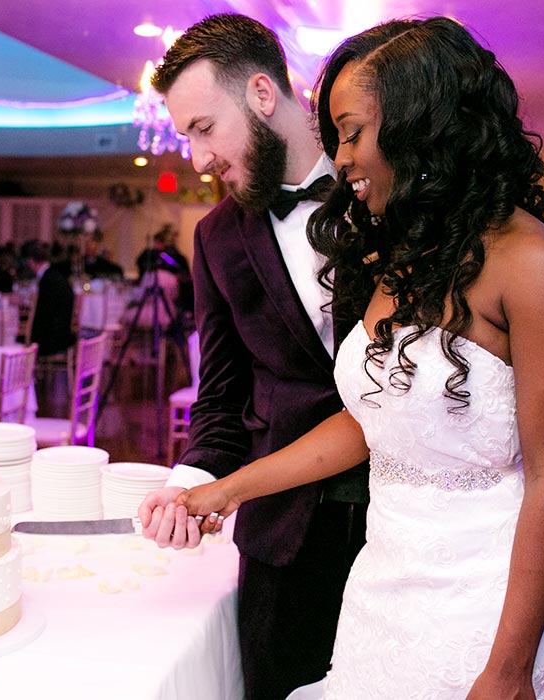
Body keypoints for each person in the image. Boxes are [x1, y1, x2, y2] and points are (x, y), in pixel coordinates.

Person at [175, 17, 544, 699]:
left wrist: (510, 669)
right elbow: (370, 420)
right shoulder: (407, 254)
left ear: (417, 122)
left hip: (485, 601)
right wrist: (226, 489)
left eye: (350, 131)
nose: (339, 157)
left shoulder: (532, 264)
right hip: (386, 587)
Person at [136, 14, 370, 700]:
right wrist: (191, 484)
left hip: (404, 524)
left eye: (204, 129)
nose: (197, 159)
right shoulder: (215, 239)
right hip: (283, 536)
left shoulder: (384, 191)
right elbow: (220, 394)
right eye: (185, 137)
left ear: (263, 95)